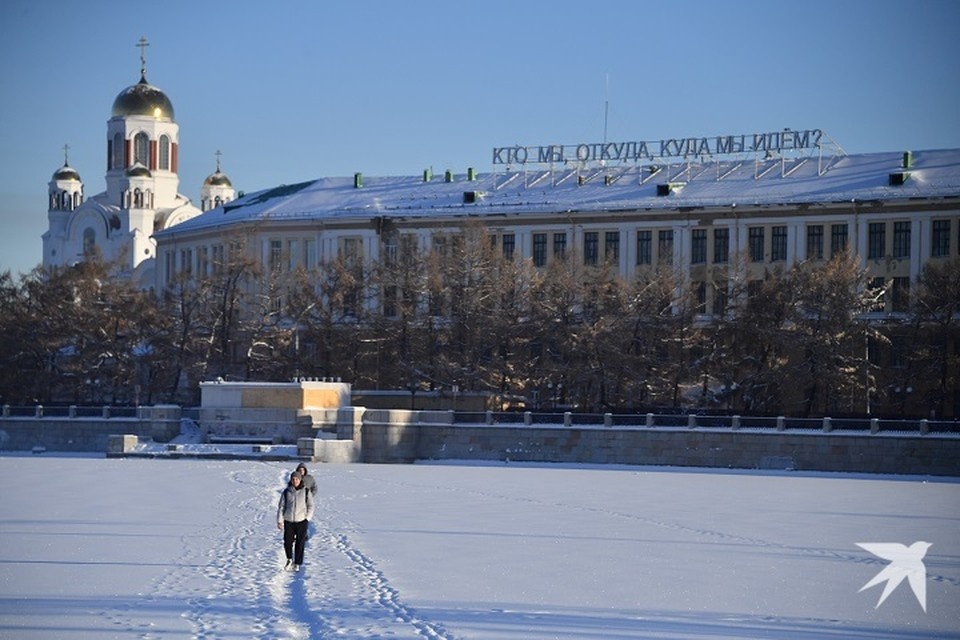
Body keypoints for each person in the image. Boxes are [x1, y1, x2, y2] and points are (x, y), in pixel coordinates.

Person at [277, 470, 314, 571]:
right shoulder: (286, 492)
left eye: (297, 479)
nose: (295, 481)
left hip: (301, 521)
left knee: (300, 543)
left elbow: (311, 506)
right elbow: (281, 507)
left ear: (300, 480)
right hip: (288, 521)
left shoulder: (306, 491)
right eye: (293, 479)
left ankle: (297, 562)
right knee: (287, 542)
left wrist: (307, 519)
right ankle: (289, 558)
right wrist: (280, 520)